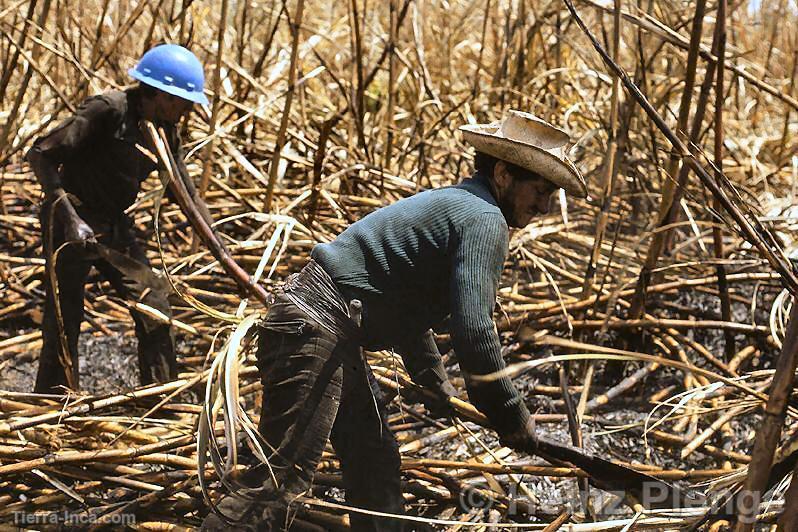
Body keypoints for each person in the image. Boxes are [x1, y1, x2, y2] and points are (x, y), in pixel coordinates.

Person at [201, 110, 588, 531]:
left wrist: (432, 376)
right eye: (540, 191)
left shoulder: (462, 205)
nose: (546, 207)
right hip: (316, 325)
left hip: (327, 328)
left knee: (375, 459)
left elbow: (405, 301)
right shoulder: (484, 219)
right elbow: (475, 332)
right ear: (503, 174)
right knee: (277, 485)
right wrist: (511, 415)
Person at [28, 44, 217, 393]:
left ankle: (159, 399)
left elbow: (186, 193)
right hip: (69, 218)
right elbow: (40, 154)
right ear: (162, 95)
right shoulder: (108, 110)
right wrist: (70, 218)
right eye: (185, 101)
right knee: (63, 316)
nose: (189, 110)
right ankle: (55, 402)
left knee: (154, 306)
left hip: (114, 226)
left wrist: (220, 249)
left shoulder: (164, 127)